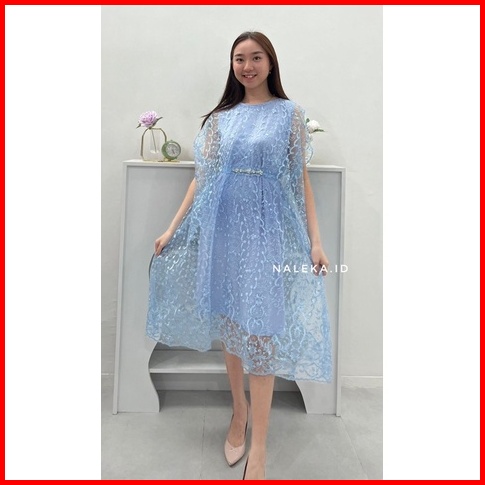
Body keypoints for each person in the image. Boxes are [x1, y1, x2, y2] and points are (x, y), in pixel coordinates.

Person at [146, 31, 333, 480]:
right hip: (225, 229)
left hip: (267, 231)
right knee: (231, 325)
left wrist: (316, 240)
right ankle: (239, 412)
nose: (247, 66)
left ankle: (261, 445)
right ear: (232, 66)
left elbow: (300, 180)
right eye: (239, 59)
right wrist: (172, 228)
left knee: (261, 332)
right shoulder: (221, 118)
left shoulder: (289, 114)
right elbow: (202, 177)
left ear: (270, 62)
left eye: (256, 57)